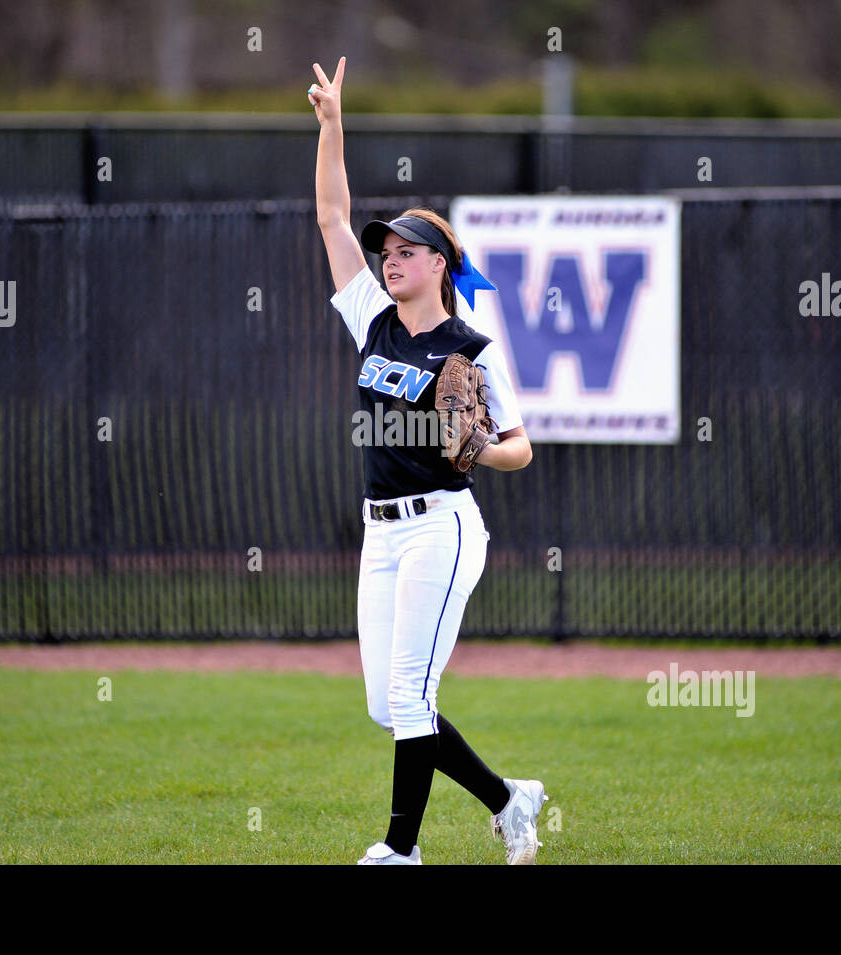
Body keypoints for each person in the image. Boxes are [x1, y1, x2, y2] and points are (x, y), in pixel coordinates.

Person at [310, 56, 547, 865]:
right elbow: (332, 218)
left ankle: (400, 850)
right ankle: (510, 799)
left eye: (406, 251)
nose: (388, 259)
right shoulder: (373, 322)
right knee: (388, 704)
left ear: (438, 263)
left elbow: (519, 445)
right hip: (380, 533)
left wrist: (482, 444)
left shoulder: (472, 348)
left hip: (442, 529)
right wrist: (333, 125)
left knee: (412, 694)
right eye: (387, 252)